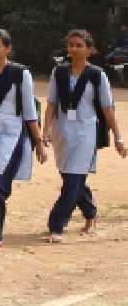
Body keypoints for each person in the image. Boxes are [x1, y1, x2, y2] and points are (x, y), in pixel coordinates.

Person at [42, 29, 127, 242]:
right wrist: (46, 131)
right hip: (62, 131)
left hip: (86, 132)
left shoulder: (97, 75)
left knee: (73, 179)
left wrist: (118, 138)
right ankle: (90, 213)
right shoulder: (58, 73)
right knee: (72, 178)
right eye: (71, 45)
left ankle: (56, 225)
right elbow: (51, 103)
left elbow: (107, 108)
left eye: (79, 45)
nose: (74, 49)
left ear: (90, 49)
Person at [0, 28, 47, 256]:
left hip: (9, 133)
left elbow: (29, 112)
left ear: (8, 49)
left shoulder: (20, 74)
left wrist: (38, 141)